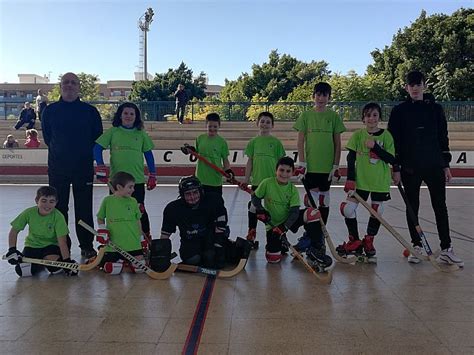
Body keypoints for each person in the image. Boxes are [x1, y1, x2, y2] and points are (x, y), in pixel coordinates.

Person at [388, 70, 463, 267]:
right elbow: (392, 141)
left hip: (434, 165)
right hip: (409, 167)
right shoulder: (399, 111)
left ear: (424, 86)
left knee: (440, 206)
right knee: (412, 206)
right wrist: (395, 167)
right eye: (411, 84)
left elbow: (442, 137)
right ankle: (416, 246)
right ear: (406, 88)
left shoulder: (436, 109)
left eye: (418, 84)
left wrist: (445, 164)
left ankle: (446, 249)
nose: (414, 88)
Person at [41, 72, 103, 259]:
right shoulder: (50, 111)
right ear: (60, 87)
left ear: (78, 87)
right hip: (57, 168)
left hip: (83, 168)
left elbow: (97, 137)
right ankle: (61, 246)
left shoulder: (90, 112)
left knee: (84, 207)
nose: (69, 85)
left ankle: (86, 245)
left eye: (73, 83)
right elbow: (47, 138)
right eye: (65, 82)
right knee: (58, 208)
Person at [336, 103, 396, 259]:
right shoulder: (358, 135)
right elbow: (350, 158)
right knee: (347, 209)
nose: (371, 118)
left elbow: (391, 159)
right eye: (368, 115)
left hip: (379, 182)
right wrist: (350, 179)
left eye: (375, 115)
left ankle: (369, 240)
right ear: (363, 118)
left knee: (377, 212)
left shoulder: (386, 136)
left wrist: (375, 147)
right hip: (360, 182)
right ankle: (354, 240)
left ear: (379, 118)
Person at [251, 156, 333, 270]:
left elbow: (294, 213)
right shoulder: (267, 183)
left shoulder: (292, 189)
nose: (284, 174)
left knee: (313, 213)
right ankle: (281, 245)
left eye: (288, 171)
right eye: (281, 170)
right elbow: (255, 197)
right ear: (276, 170)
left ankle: (315, 249)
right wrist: (260, 209)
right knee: (273, 259)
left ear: (292, 172)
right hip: (272, 225)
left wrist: (283, 227)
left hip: (288, 221)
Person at [94, 102, 156, 242]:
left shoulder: (141, 134)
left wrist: (153, 174)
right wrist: (100, 166)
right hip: (117, 182)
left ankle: (145, 238)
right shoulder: (113, 131)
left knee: (139, 210)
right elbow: (97, 148)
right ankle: (116, 239)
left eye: (132, 114)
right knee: (115, 210)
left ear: (136, 117)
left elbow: (149, 154)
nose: (128, 116)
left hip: (137, 181)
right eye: (125, 113)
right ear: (120, 115)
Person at [160, 175, 251, 269]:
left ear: (201, 191)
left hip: (211, 237)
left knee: (211, 257)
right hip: (190, 241)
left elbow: (221, 223)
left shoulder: (213, 200)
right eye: (188, 194)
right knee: (193, 260)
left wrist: (219, 246)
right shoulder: (172, 209)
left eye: (195, 192)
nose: (192, 197)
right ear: (182, 195)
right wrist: (161, 254)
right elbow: (165, 235)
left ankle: (228, 248)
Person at [293, 82, 346, 226]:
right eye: (318, 94)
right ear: (313, 96)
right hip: (311, 167)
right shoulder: (305, 115)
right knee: (311, 201)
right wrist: (302, 163)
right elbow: (300, 142)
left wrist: (336, 165)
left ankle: (322, 234)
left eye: (325, 95)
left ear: (329, 97)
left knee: (324, 201)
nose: (321, 98)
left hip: (326, 168)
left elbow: (337, 143)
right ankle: (310, 235)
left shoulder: (333, 117)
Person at [5, 186, 78, 277]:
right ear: (36, 200)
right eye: (44, 201)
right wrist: (12, 250)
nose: (47, 205)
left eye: (51, 202)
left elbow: (62, 242)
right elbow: (14, 231)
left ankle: (47, 262)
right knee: (22, 272)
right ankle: (40, 264)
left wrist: (67, 261)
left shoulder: (58, 216)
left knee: (54, 269)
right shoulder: (29, 213)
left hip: (51, 245)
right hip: (32, 246)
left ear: (56, 203)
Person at [242, 111, 285, 246]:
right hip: (257, 183)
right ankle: (251, 232)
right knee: (253, 207)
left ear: (272, 125)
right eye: (262, 121)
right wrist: (246, 179)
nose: (265, 124)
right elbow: (250, 162)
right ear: (257, 123)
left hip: (272, 183)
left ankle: (275, 237)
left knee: (273, 211)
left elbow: (281, 163)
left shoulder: (276, 143)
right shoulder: (253, 142)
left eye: (268, 122)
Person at [95, 172, 146, 274]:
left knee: (140, 268)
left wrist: (141, 238)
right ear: (119, 187)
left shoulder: (133, 201)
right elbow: (100, 218)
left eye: (133, 187)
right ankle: (120, 261)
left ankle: (126, 262)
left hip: (133, 244)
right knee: (113, 269)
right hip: (114, 246)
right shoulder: (108, 201)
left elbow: (138, 221)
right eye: (130, 187)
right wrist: (102, 230)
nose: (133, 190)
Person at [181, 112, 234, 203]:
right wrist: (188, 149)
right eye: (210, 126)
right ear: (206, 125)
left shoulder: (222, 142)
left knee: (215, 204)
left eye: (215, 126)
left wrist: (228, 171)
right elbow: (196, 153)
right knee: (201, 205)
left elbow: (225, 160)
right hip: (201, 179)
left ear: (219, 126)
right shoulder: (200, 138)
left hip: (215, 180)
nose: (212, 129)